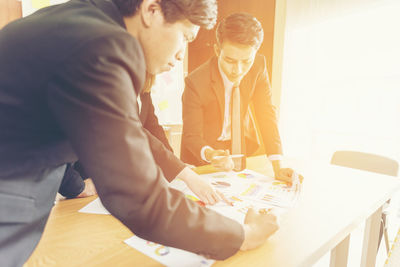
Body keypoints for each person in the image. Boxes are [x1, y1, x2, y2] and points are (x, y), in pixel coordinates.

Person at [0, 1, 279, 266]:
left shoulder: (83, 22)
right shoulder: (103, 48)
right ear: (151, 10)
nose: (182, 53)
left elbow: (129, 131)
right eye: (185, 36)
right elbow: (140, 200)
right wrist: (243, 234)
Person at [59, 73, 226, 204]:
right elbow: (134, 131)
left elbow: (152, 127)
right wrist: (185, 174)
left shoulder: (143, 87)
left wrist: (175, 163)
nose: (179, 56)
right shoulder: (111, 82)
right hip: (86, 183)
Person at [181, 13, 301, 183]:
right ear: (217, 50)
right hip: (203, 155)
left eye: (246, 61)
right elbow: (191, 136)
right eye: (230, 60)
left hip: (238, 149)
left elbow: (266, 113)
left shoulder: (258, 66)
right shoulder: (196, 82)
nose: (237, 70)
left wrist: (278, 166)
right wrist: (211, 154)